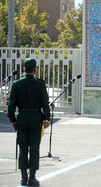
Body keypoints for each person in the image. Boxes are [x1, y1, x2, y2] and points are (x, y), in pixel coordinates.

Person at [7, 58, 50, 186]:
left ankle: (23, 177)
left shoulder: (16, 84)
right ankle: (32, 178)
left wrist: (12, 120)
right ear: (35, 70)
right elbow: (45, 104)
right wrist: (46, 118)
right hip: (36, 119)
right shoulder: (40, 84)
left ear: (24, 69)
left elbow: (11, 105)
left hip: (22, 118)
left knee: (23, 149)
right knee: (34, 149)